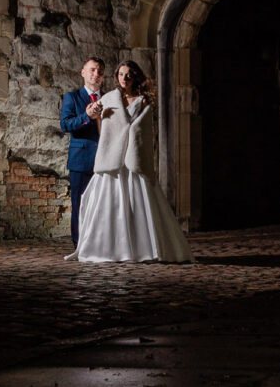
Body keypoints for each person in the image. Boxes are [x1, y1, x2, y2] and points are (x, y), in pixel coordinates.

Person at [68, 60, 192, 264]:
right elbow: (104, 129)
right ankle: (108, 249)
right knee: (111, 207)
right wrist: (97, 117)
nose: (124, 78)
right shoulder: (109, 98)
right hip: (113, 159)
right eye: (120, 74)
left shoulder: (143, 101)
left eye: (128, 75)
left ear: (135, 77)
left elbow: (143, 131)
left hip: (132, 158)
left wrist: (130, 135)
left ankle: (141, 249)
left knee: (137, 206)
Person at [60, 56, 105, 248]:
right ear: (83, 72)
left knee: (103, 204)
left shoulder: (108, 99)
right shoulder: (72, 97)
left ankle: (101, 243)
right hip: (81, 160)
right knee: (79, 204)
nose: (96, 74)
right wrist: (86, 116)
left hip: (105, 159)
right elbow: (65, 124)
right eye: (92, 70)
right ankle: (80, 245)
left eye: (100, 71)